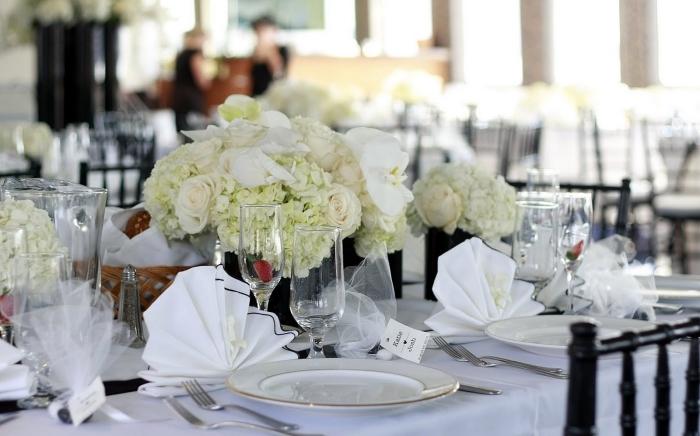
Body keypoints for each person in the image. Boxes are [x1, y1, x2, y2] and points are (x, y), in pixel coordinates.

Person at [172, 28, 210, 132]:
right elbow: (201, 81)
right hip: (191, 99)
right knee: (195, 132)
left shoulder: (180, 54)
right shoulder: (196, 56)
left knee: (183, 133)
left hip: (178, 97)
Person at [250, 16, 289, 96]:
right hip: (257, 96)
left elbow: (279, 76)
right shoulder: (254, 54)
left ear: (274, 31)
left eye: (263, 31)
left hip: (275, 97)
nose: (260, 36)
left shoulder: (282, 50)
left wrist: (270, 54)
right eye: (257, 32)